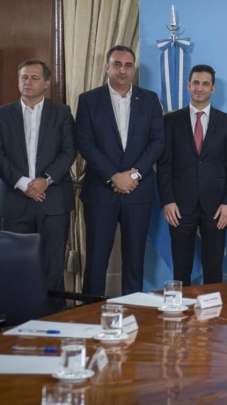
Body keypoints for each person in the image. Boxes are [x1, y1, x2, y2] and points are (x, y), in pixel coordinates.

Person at [76, 45, 164, 296]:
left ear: (134, 69)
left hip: (138, 191)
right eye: (117, 64)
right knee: (96, 261)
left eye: (127, 65)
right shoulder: (89, 100)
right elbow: (85, 142)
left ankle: (132, 309)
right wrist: (113, 176)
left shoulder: (150, 99)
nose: (122, 70)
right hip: (100, 191)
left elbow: (158, 142)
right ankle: (91, 312)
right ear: (107, 67)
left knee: (135, 261)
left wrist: (133, 175)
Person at [0, 59, 76, 305]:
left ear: (46, 83)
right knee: (15, 265)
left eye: (34, 78)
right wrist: (23, 183)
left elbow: (69, 151)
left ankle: (53, 320)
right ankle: (18, 319)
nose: (28, 82)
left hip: (53, 201)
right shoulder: (2, 113)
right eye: (24, 77)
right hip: (15, 200)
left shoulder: (62, 112)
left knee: (53, 268)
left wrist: (45, 180)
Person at [158, 64, 227, 286]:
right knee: (181, 268)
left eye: (205, 84)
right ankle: (181, 307)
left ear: (213, 88)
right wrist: (167, 200)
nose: (199, 88)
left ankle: (213, 308)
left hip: (216, 207)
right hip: (179, 206)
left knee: (214, 268)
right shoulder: (171, 121)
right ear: (188, 85)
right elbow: (164, 165)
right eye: (195, 83)